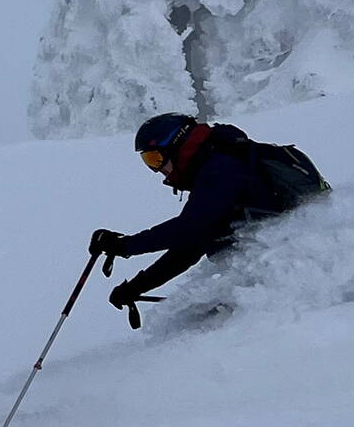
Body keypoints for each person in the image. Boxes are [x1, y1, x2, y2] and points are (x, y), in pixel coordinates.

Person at [87, 113, 327, 320]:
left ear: (177, 145)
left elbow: (189, 228)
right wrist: (137, 286)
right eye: (148, 161)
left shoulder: (221, 168)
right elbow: (191, 245)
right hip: (274, 265)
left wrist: (125, 245)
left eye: (156, 158)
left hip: (288, 266)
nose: (156, 169)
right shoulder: (211, 169)